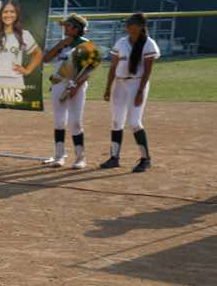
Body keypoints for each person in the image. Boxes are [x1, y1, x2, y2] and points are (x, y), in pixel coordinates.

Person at [101, 12, 159, 173]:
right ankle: (114, 158)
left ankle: (146, 159)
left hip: (137, 83)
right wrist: (108, 87)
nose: (127, 26)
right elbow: (113, 66)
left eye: (130, 23)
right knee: (116, 121)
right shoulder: (121, 42)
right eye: (126, 23)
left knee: (134, 122)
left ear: (140, 27)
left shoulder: (148, 44)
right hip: (119, 84)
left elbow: (147, 71)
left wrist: (140, 91)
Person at [42, 13, 92, 169]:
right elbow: (46, 59)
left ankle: (80, 158)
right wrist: (61, 45)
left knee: (75, 122)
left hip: (76, 86)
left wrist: (76, 87)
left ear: (77, 29)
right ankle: (59, 156)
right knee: (59, 121)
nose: (65, 28)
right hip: (58, 84)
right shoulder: (63, 43)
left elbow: (88, 70)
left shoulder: (86, 44)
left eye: (68, 26)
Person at [0, 0, 42, 90]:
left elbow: (38, 54)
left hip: (15, 81)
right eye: (5, 12)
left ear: (17, 14)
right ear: (0, 15)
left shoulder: (24, 34)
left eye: (12, 12)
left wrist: (27, 71)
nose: (8, 15)